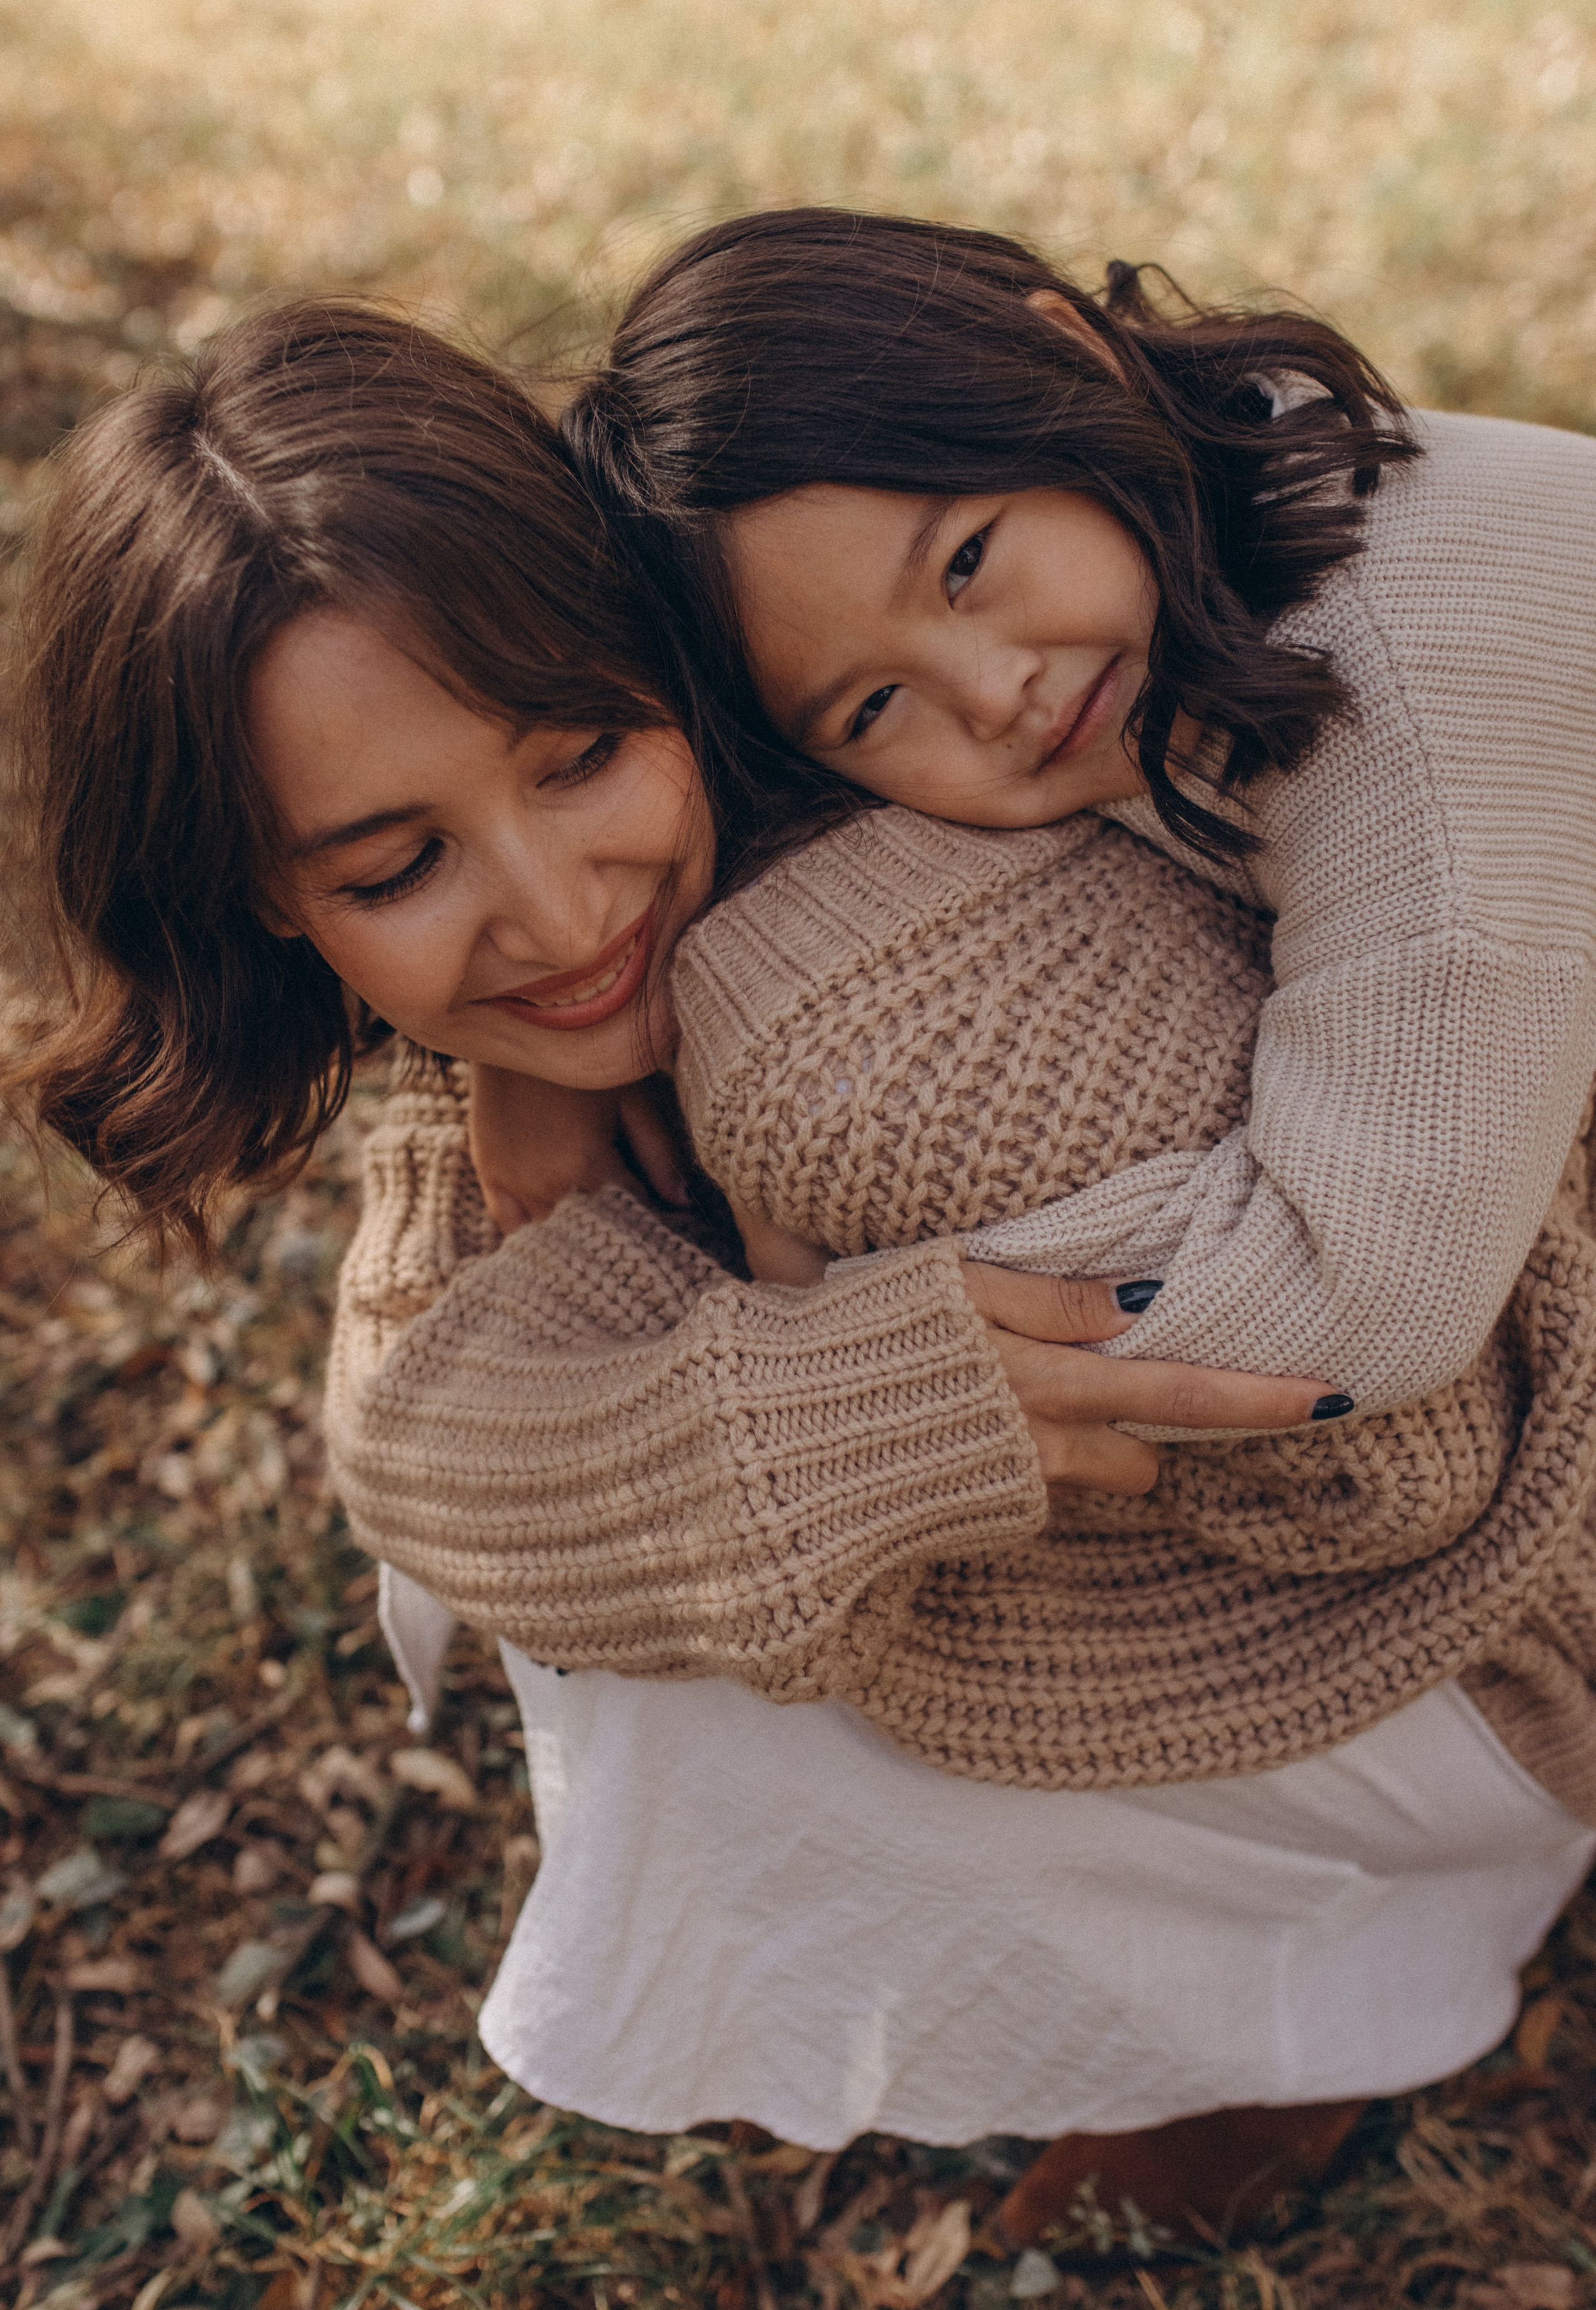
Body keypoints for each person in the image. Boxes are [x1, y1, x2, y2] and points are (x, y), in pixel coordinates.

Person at [8, 298, 1390, 2246]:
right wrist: (529, 1107)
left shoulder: (916, 936)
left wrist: (809, 1418)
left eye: (581, 754)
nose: (560, 917)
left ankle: (1314, 2007)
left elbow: (1403, 1461)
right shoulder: (615, 971)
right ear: (262, 893)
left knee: (653, 1642)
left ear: (667, 644)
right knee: (605, 1535)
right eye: (394, 870)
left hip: (1463, 1608)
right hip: (1227, 1633)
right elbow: (414, 1434)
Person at [549, 205, 1596, 1438]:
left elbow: (1358, 1295)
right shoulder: (1159, 509)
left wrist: (844, 1326)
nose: (994, 695)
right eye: (875, 703)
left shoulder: (1408, 704)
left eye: (964, 562)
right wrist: (535, 1056)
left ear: (1073, 363)